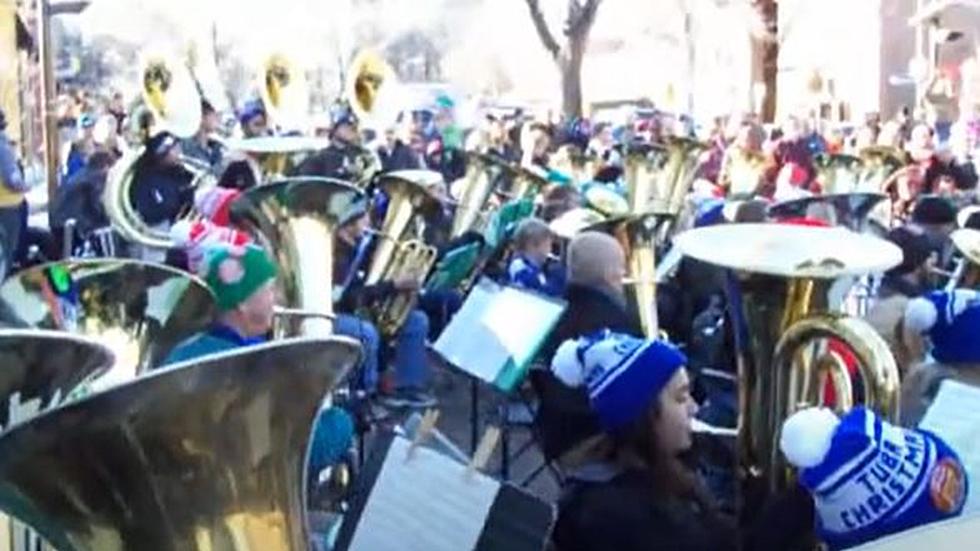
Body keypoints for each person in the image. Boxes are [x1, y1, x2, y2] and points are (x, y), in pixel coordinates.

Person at [160, 244, 355, 506]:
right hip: (236, 505)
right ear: (241, 302)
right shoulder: (250, 368)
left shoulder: (184, 350)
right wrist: (341, 420)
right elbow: (303, 450)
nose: (278, 299)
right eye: (270, 289)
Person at [332, 205, 435, 408]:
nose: (369, 224)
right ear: (348, 223)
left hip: (366, 306)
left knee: (416, 320)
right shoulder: (337, 253)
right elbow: (345, 299)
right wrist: (392, 285)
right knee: (368, 333)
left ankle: (407, 386)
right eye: (363, 219)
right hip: (337, 313)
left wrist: (404, 290)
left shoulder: (367, 247)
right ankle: (369, 395)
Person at [541, 231, 640, 361]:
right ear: (608, 274)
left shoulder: (558, 313)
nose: (624, 272)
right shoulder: (612, 324)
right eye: (621, 266)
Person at [130, 131, 194, 262]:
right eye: (173, 150)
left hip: (186, 240)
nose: (178, 153)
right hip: (160, 243)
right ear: (162, 155)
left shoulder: (183, 173)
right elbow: (150, 213)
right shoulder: (146, 178)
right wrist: (181, 198)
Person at [49, 150, 114, 256]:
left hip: (59, 222)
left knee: (61, 258)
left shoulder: (82, 174)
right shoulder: (96, 177)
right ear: (105, 166)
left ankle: (59, 272)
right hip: (73, 225)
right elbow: (97, 204)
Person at [295, 103, 367, 181]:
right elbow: (303, 183)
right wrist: (341, 172)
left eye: (354, 127)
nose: (351, 129)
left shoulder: (364, 156)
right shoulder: (318, 158)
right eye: (346, 125)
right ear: (334, 128)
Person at [505, 218, 563, 297]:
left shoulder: (534, 268)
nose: (550, 250)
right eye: (548, 245)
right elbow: (540, 293)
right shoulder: (522, 268)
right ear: (532, 245)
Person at [0, 109, 28, 271]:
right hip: (7, 205)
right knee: (7, 252)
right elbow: (12, 179)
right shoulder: (2, 147)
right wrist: (25, 186)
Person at [218, 100, 268, 190]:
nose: (262, 131)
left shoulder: (262, 158)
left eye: (263, 125)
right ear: (244, 127)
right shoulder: (235, 159)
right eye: (257, 125)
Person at [182, 100, 223, 170]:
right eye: (212, 113)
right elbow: (209, 172)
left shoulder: (214, 144)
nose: (217, 117)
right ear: (202, 118)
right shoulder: (189, 147)